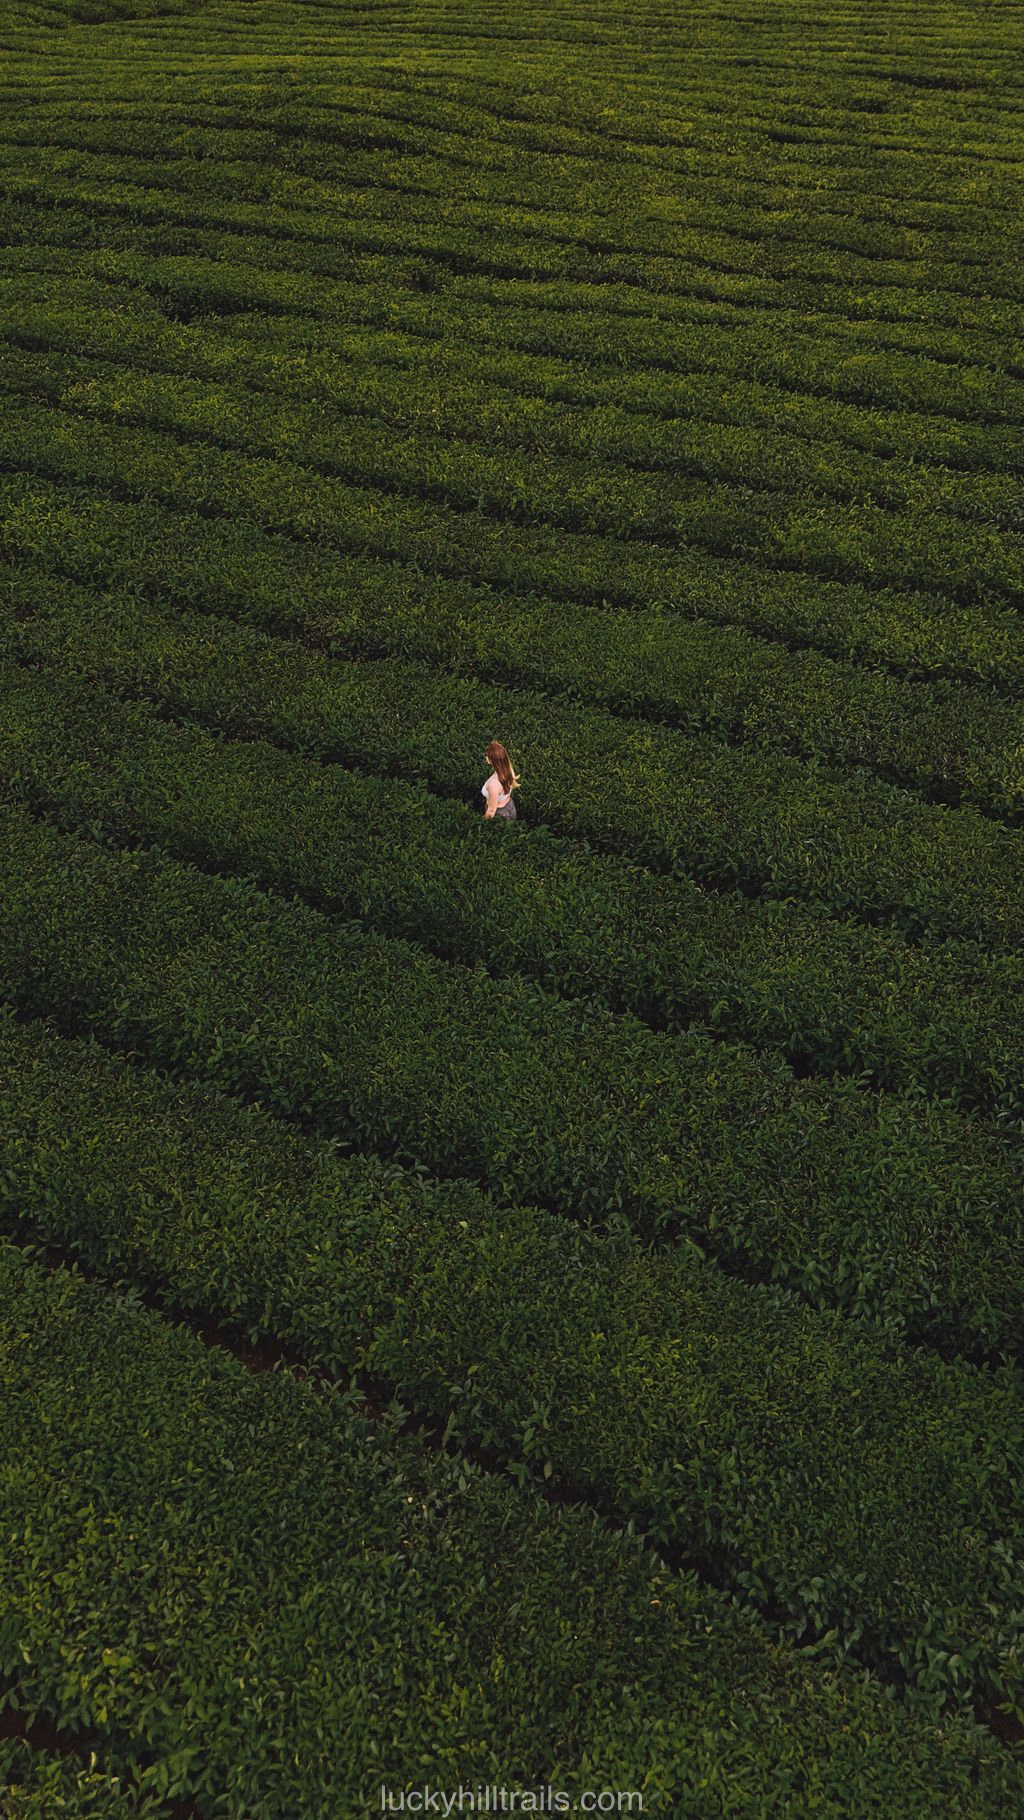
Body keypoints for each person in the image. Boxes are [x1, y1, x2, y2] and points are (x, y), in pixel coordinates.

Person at [481, 740, 519, 821]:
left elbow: (491, 811)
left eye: (487, 755)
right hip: (510, 806)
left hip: (499, 814)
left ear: (492, 760)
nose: (485, 756)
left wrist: (482, 823)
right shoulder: (508, 769)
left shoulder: (494, 784)